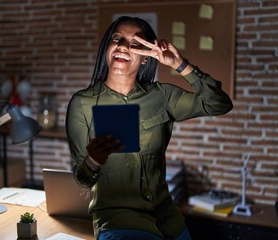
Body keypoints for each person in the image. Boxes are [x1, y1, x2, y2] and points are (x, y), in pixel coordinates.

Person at [66, 16, 233, 240]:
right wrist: (93, 161)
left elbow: (219, 104)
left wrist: (180, 65)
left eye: (135, 43)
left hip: (169, 220)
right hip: (119, 221)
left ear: (146, 58)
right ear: (108, 47)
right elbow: (82, 177)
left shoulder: (162, 96)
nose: (124, 46)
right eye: (117, 39)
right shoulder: (82, 104)